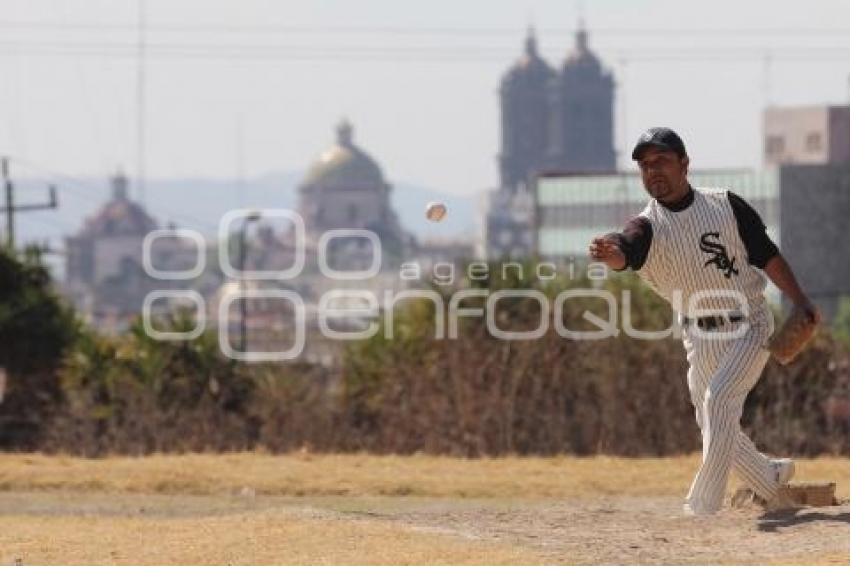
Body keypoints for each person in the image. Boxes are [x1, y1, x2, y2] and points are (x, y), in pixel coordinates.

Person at [589, 127, 821, 516]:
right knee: (713, 423)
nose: (653, 171)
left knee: (719, 403)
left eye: (661, 161)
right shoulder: (647, 226)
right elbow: (625, 248)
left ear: (684, 163)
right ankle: (771, 479)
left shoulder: (726, 205)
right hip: (697, 335)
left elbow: (768, 256)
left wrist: (800, 300)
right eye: (645, 166)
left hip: (749, 325)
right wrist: (610, 253)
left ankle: (701, 508)